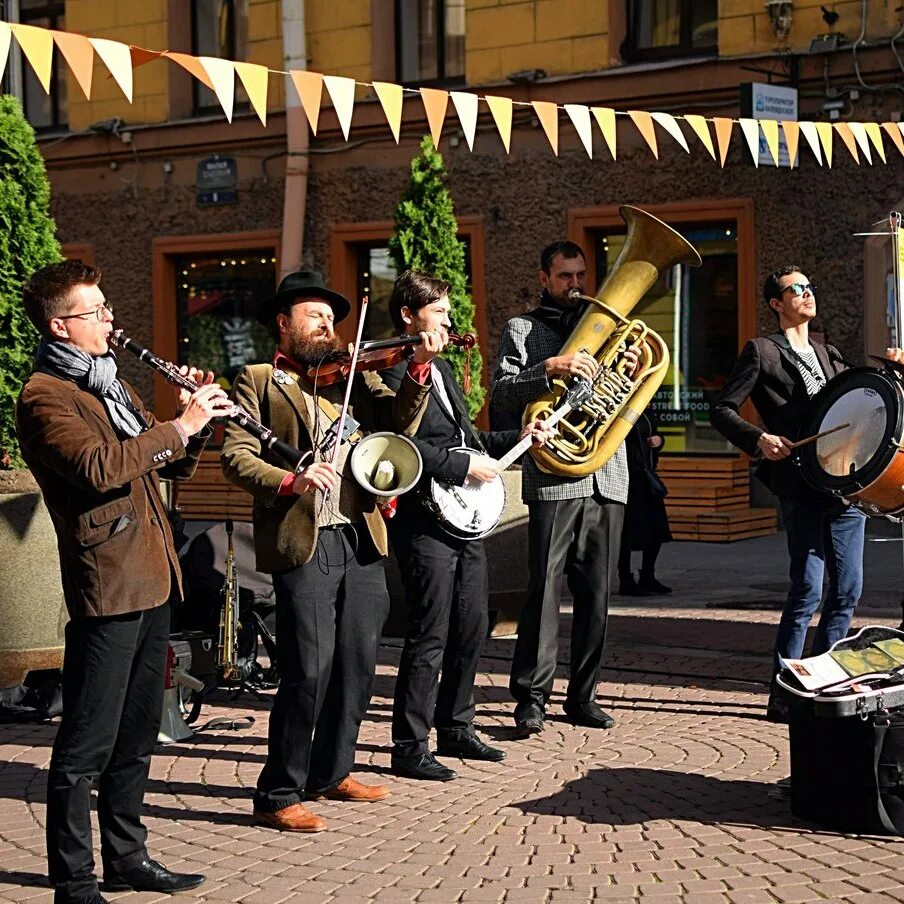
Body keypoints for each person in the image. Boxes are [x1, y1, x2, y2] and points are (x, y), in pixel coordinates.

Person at [16, 260, 231, 904]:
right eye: (97, 311)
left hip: (154, 573)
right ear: (62, 325)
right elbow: (100, 467)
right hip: (107, 581)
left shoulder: (109, 381)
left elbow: (161, 462)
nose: (111, 319)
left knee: (139, 731)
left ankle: (127, 856)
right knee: (88, 736)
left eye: (107, 307)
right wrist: (181, 426)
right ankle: (72, 877)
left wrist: (196, 423)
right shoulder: (45, 396)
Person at [221, 269, 445, 832]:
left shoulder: (353, 377)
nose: (326, 325)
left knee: (357, 663)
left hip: (360, 533)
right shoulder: (259, 381)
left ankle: (333, 770)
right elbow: (236, 457)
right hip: (306, 538)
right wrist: (289, 480)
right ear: (283, 322)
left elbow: (401, 421)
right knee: (308, 669)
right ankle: (278, 791)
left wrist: (418, 366)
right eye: (313, 316)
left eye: (331, 317)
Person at [381, 270, 554, 782]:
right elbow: (397, 442)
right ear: (409, 316)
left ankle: (455, 726)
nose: (449, 320)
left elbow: (467, 437)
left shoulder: (444, 372)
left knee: (473, 624)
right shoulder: (391, 373)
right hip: (423, 520)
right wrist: (461, 468)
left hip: (465, 520)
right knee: (429, 633)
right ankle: (409, 745)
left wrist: (515, 436)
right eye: (439, 312)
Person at [710, 265, 904, 722]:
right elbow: (722, 409)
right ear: (777, 304)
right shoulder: (762, 351)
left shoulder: (830, 353)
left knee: (848, 591)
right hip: (801, 486)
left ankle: (824, 679)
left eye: (810, 287)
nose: (807, 293)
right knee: (807, 590)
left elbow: (861, 408)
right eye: (796, 289)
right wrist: (758, 438)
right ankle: (784, 688)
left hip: (844, 487)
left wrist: (894, 374)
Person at [490, 240, 638, 735]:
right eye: (564, 277)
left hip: (606, 472)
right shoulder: (524, 328)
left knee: (598, 593)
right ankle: (531, 698)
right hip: (554, 474)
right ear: (544, 279)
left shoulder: (613, 327)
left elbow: (628, 399)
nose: (575, 284)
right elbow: (500, 394)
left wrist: (631, 374)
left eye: (580, 275)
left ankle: (585, 696)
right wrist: (548, 369)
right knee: (544, 590)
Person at [618, 412, 673, 596]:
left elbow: (654, 436)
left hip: (647, 478)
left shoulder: (647, 411)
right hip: (628, 481)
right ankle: (625, 579)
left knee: (657, 529)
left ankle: (648, 576)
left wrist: (659, 441)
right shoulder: (622, 410)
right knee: (627, 534)